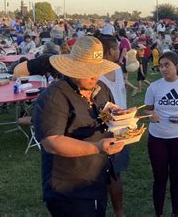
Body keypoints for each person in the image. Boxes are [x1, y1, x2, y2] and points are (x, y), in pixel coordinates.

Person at [32, 36, 125, 217]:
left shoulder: (101, 89)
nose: (94, 75)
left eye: (97, 70)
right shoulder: (54, 96)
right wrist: (96, 147)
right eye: (88, 70)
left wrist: (119, 117)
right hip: (70, 189)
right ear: (73, 69)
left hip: (97, 179)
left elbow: (108, 115)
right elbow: (52, 141)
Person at [143, 52, 178, 217]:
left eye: (167, 65)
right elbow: (147, 108)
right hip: (157, 139)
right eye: (161, 66)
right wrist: (150, 114)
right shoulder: (154, 87)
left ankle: (176, 213)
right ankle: (158, 213)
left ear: (177, 65)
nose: (163, 69)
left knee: (177, 178)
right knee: (159, 178)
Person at [97, 35, 129, 217]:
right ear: (111, 51)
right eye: (117, 48)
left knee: (113, 174)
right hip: (107, 131)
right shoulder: (97, 74)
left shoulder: (116, 69)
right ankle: (116, 212)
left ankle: (118, 212)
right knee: (107, 175)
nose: (119, 51)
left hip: (120, 128)